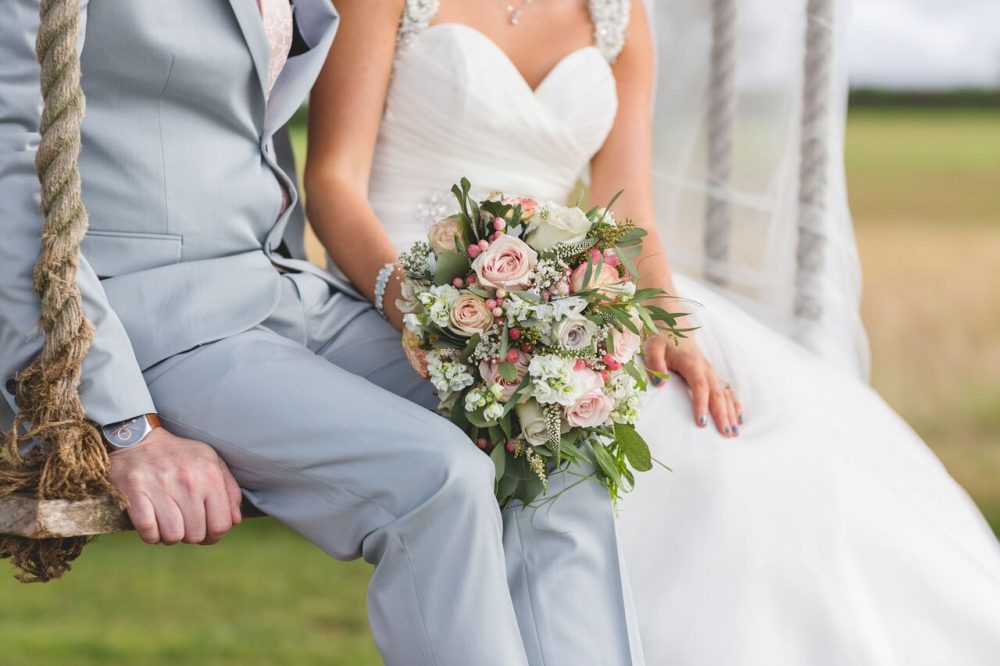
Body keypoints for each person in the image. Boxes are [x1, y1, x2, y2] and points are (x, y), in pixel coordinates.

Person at [304, 0, 1000, 663]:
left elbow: (629, 213)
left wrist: (668, 326)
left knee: (774, 452)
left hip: (564, 304)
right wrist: (427, 314)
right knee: (681, 482)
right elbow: (333, 182)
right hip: (405, 295)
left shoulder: (619, 15)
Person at [0, 2, 645, 664]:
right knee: (435, 478)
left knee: (553, 435)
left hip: (280, 287)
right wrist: (125, 425)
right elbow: (10, 166)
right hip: (151, 318)